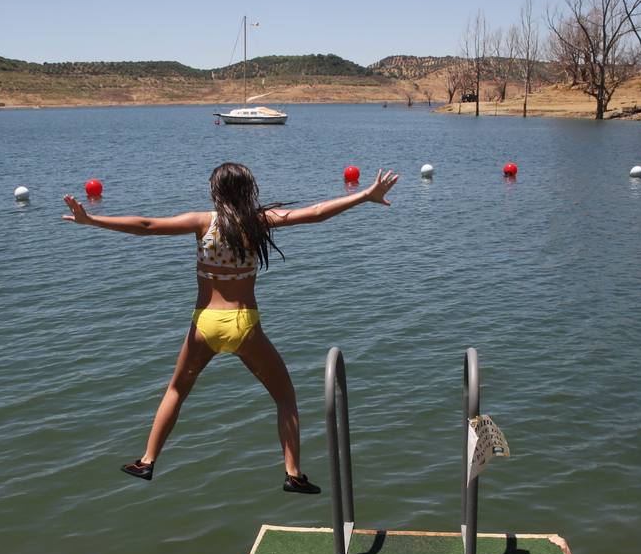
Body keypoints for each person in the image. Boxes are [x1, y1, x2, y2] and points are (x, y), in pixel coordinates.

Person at [62, 162, 399, 491]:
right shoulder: (259, 222)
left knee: (177, 390)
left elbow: (147, 225)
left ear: (216, 192)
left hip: (204, 324)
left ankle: (148, 460)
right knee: (284, 397)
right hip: (244, 325)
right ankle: (293, 473)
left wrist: (91, 219)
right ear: (248, 191)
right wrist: (363, 196)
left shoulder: (202, 222)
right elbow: (316, 212)